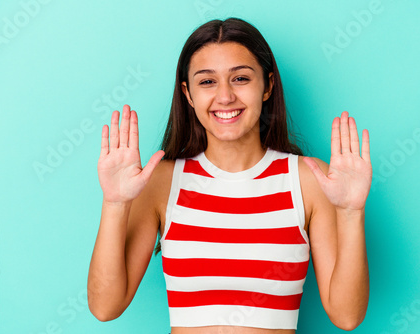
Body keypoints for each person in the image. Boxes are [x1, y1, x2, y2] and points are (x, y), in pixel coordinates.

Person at [87, 17, 372, 333]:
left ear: (268, 86)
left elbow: (347, 317)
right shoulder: (161, 183)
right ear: (189, 94)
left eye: (240, 79)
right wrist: (114, 203)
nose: (225, 97)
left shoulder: (308, 179)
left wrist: (350, 212)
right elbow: (104, 307)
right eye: (207, 81)